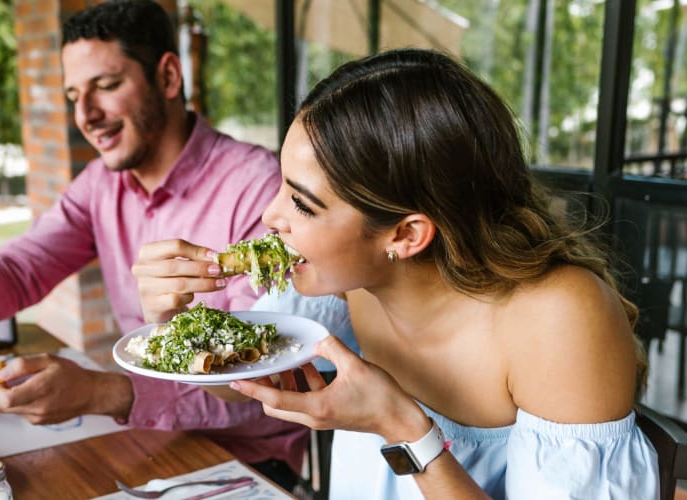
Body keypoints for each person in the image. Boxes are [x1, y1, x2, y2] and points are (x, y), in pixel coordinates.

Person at [0, 0, 307, 489]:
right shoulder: (100, 185)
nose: (85, 115)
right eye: (74, 95)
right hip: (142, 438)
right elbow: (20, 266)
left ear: (169, 77)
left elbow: (261, 385)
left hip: (247, 462)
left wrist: (103, 393)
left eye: (107, 86)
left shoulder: (258, 190)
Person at [133, 48, 659, 498]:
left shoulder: (559, 319)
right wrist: (172, 323)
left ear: (406, 235)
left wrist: (402, 426)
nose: (270, 219)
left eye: (303, 204)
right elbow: (244, 385)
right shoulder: (347, 286)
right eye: (282, 186)